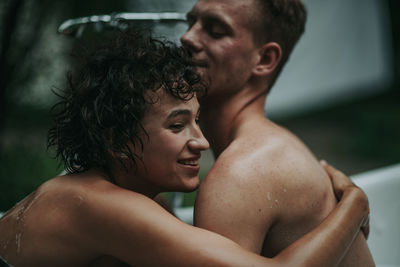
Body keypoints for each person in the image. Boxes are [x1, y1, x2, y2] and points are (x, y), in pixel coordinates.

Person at [0, 31, 369, 267]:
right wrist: (353, 204)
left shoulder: (128, 199)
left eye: (196, 120)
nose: (202, 141)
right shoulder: (99, 205)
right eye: (177, 126)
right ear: (116, 141)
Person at [181, 0, 375, 265]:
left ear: (264, 59)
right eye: (191, 22)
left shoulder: (239, 175)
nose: (187, 37)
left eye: (215, 30)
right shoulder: (273, 144)